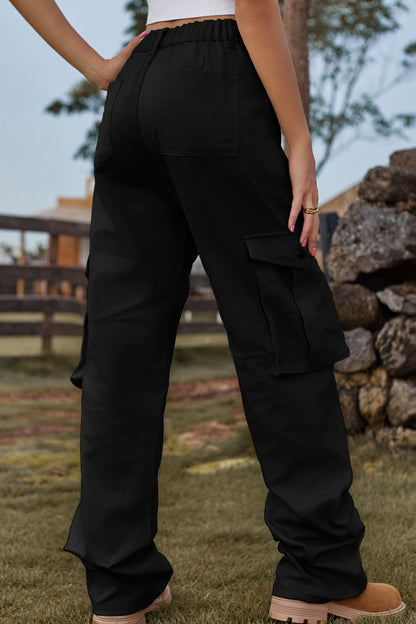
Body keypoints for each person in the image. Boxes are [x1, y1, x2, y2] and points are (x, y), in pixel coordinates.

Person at [8, 1, 407, 623]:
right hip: (218, 75)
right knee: (283, 322)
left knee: (121, 349)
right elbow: (252, 4)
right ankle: (317, 576)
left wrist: (101, 68)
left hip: (133, 92)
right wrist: (299, 138)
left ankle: (120, 588)